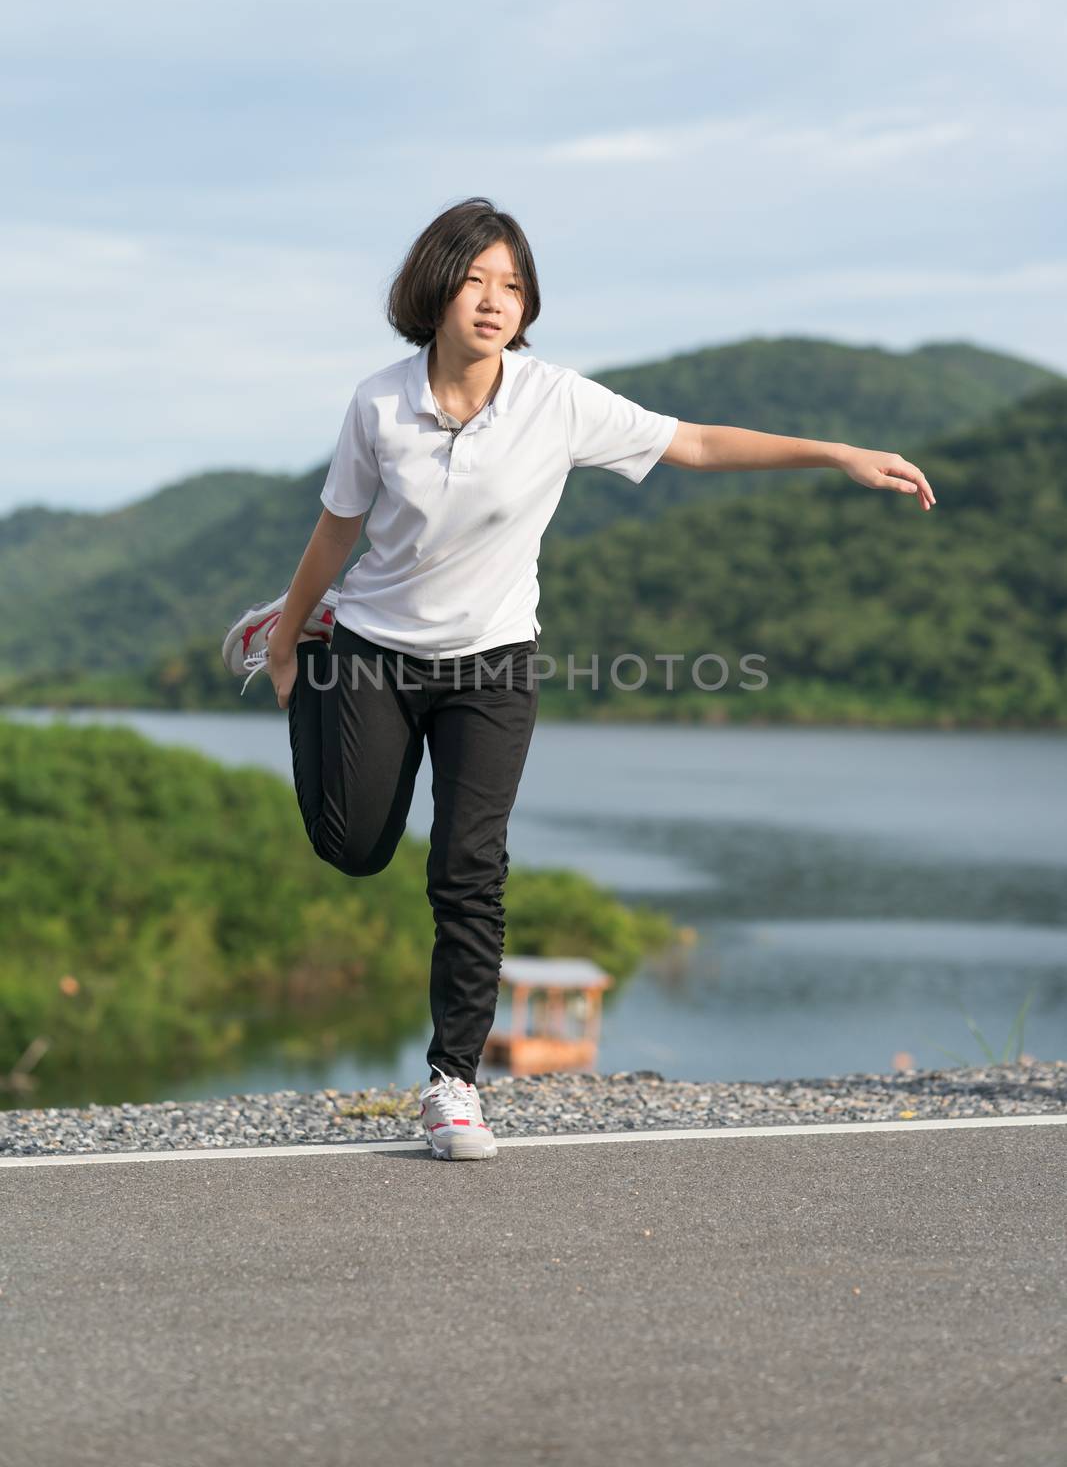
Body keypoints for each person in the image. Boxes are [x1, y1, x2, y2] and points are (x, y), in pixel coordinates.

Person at [221, 195, 936, 1162]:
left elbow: (695, 443)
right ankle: (302, 626)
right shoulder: (377, 403)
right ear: (432, 291)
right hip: (373, 652)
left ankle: (452, 1084)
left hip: (493, 665)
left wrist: (836, 452)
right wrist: (283, 646)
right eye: (474, 279)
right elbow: (338, 529)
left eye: (510, 285)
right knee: (352, 848)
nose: (492, 300)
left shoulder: (556, 400)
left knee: (468, 868)